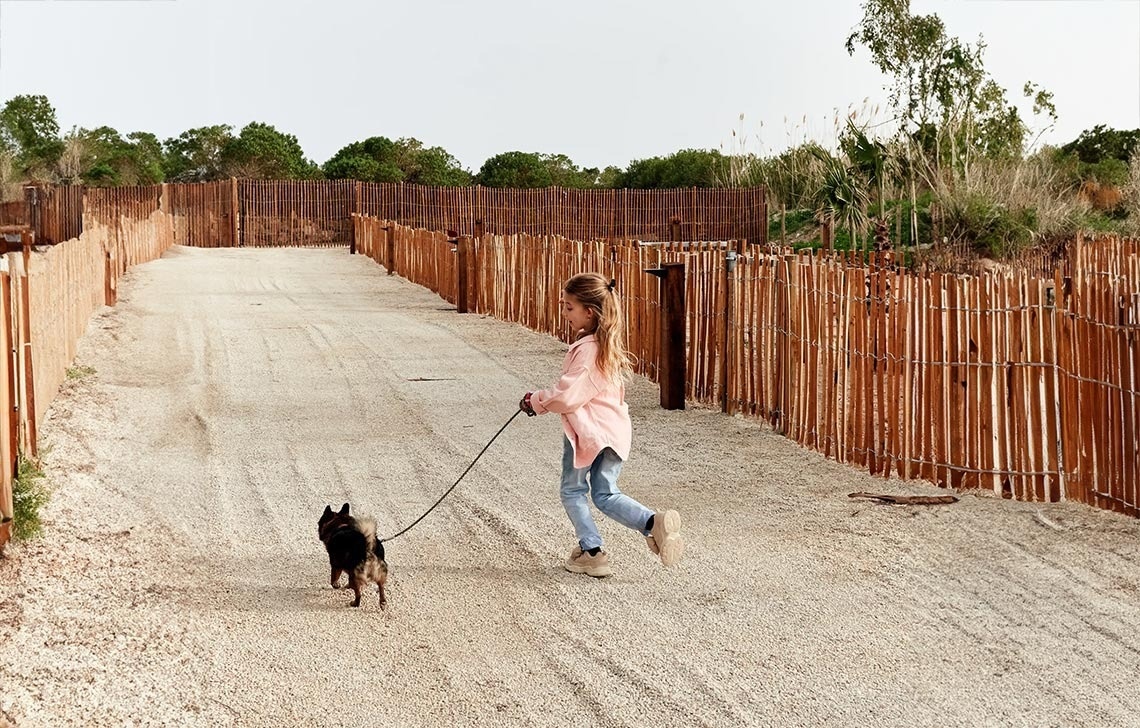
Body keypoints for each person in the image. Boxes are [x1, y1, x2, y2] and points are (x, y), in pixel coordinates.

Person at [520, 272, 683, 578]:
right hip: (614, 433)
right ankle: (652, 523)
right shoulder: (606, 346)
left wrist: (536, 400)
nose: (564, 313)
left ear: (589, 312)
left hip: (588, 434)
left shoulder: (588, 350)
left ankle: (592, 552)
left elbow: (569, 395)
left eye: (569, 307)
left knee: (572, 491)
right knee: (606, 493)